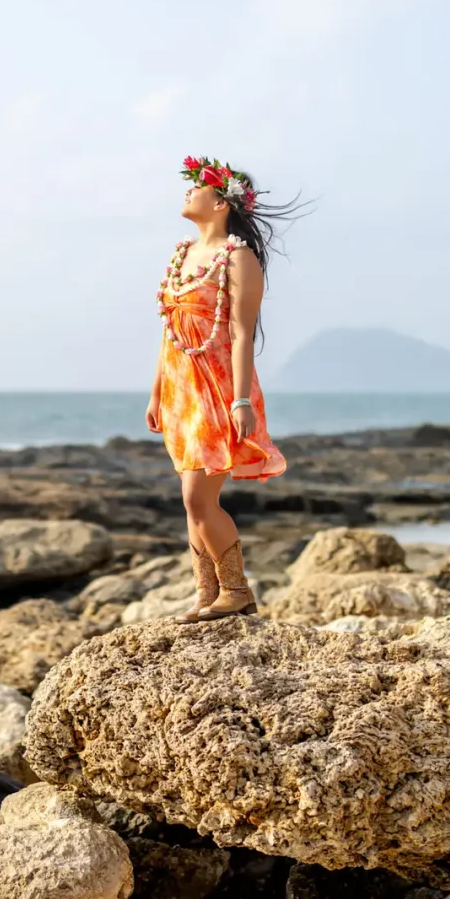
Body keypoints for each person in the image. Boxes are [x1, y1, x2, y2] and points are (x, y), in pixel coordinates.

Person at [146, 155, 304, 623]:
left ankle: (237, 590)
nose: (187, 192)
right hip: (181, 389)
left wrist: (239, 399)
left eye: (196, 187)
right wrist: (156, 393)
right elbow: (168, 329)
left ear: (219, 202)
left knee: (199, 497)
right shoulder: (181, 255)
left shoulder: (238, 258)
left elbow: (240, 333)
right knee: (189, 499)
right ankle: (207, 592)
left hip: (217, 388)